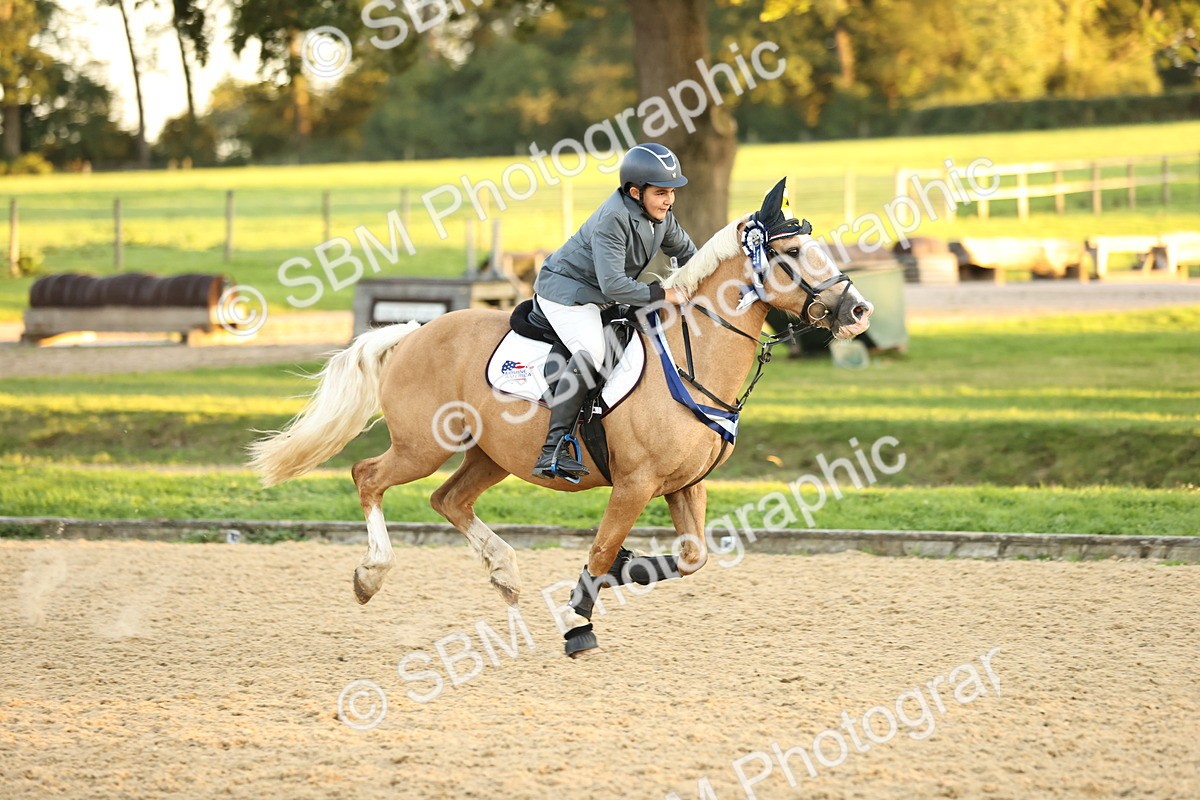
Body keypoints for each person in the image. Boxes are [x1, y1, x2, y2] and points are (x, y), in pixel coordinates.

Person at [530, 142, 696, 480]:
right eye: (661, 192)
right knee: (592, 350)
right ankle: (554, 449)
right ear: (636, 192)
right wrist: (665, 293)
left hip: (601, 293)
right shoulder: (613, 219)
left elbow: (691, 254)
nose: (669, 200)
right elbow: (614, 286)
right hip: (567, 293)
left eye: (672, 192)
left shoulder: (660, 216)